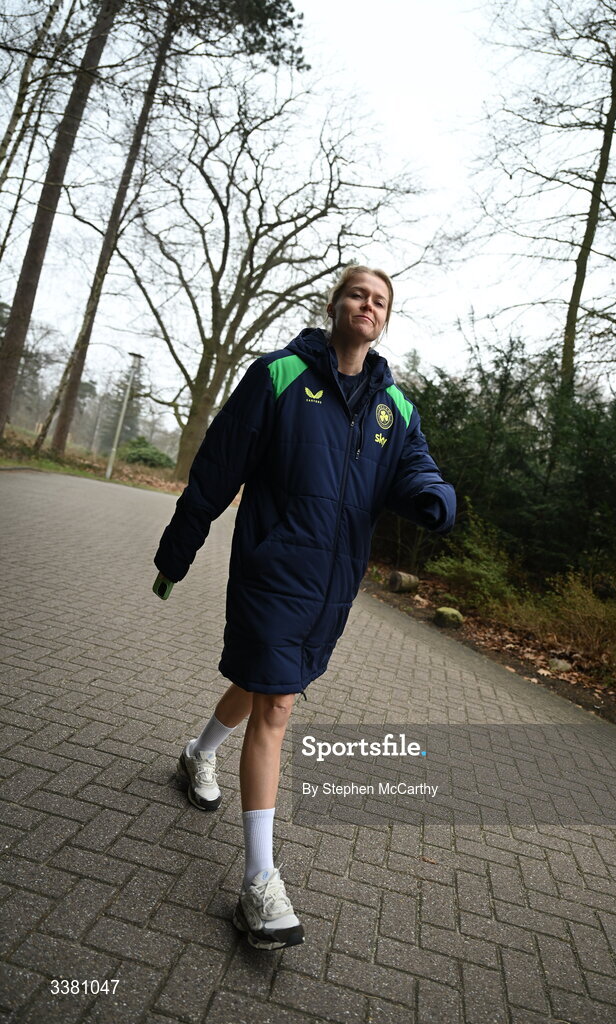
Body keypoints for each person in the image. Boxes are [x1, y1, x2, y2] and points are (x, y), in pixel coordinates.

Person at [153, 265, 456, 950]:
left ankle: (197, 753)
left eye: (379, 300)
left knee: (265, 685)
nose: (367, 305)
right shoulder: (279, 375)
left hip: (332, 586)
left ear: (386, 318)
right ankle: (259, 883)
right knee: (277, 702)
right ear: (335, 304)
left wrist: (436, 498)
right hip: (270, 567)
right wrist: (178, 549)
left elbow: (415, 466)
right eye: (357, 294)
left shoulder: (395, 409)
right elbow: (217, 465)